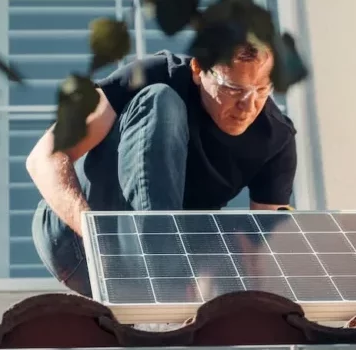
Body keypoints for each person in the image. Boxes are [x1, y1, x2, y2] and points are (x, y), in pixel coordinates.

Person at [26, 41, 298, 297]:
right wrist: (94, 236)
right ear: (198, 70)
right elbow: (43, 156)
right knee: (160, 99)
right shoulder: (157, 73)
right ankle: (163, 276)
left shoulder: (275, 137)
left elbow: (261, 246)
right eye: (233, 89)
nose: (248, 107)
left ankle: (171, 287)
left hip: (164, 268)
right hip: (78, 245)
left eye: (262, 90)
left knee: (242, 231)